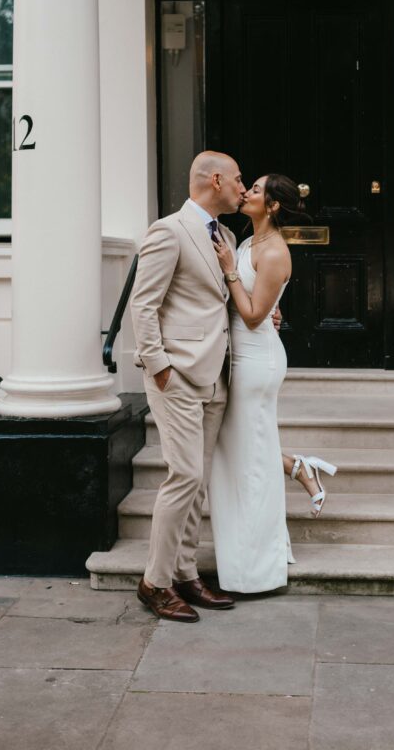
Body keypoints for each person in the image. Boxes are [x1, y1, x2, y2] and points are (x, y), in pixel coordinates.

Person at [130, 150, 245, 623]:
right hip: (176, 373)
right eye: (237, 179)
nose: (242, 187)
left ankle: (185, 573)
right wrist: (159, 367)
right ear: (214, 180)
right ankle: (154, 582)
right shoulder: (168, 231)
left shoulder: (229, 236)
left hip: (217, 375)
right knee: (185, 477)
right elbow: (143, 304)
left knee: (197, 483)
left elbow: (219, 302)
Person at [209, 174, 337, 594]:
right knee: (244, 452)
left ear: (274, 206)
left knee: (250, 463)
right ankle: (298, 467)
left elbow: (250, 315)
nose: (246, 192)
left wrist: (229, 271)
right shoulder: (247, 243)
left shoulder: (276, 252)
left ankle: (256, 572)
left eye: (257, 190)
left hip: (257, 362)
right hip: (239, 358)